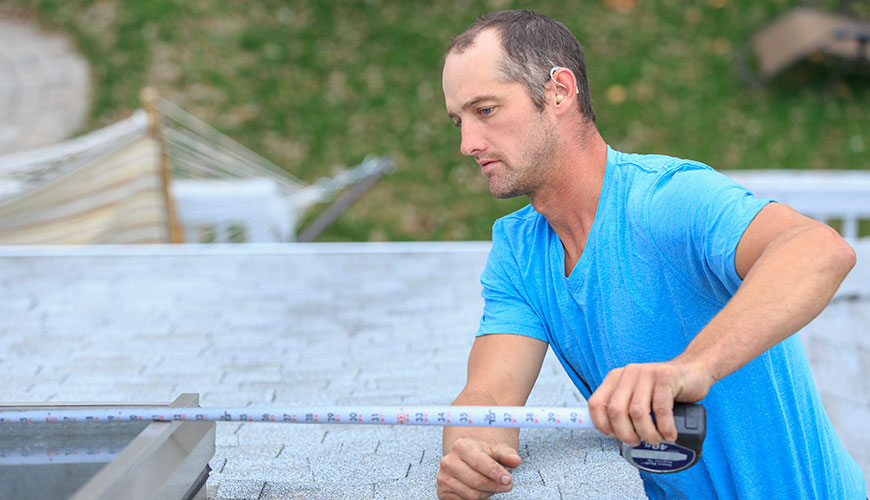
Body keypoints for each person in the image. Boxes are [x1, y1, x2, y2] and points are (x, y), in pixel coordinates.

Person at [436, 9, 866, 500]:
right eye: (458, 121)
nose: (468, 143)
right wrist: (469, 450)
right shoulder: (518, 251)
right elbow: (490, 395)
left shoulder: (667, 200)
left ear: (558, 91)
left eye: (485, 110)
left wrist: (691, 368)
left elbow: (819, 249)